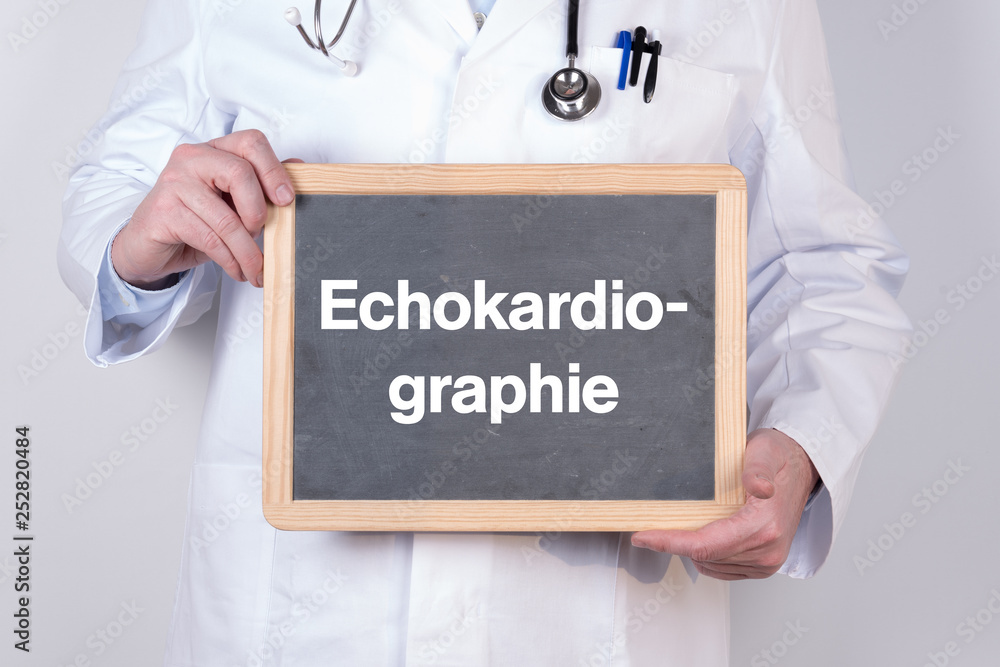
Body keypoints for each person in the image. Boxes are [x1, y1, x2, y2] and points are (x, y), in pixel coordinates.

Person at [59, 0, 910, 664]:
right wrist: (141, 243)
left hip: (581, 624)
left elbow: (823, 265)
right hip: (300, 615)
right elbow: (115, 183)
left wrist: (801, 447)